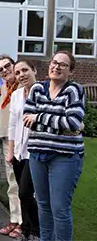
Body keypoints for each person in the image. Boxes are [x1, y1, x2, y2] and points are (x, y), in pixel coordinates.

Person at [24, 51, 85, 241]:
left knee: (59, 208)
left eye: (63, 65)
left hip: (65, 157)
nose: (56, 67)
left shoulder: (73, 90)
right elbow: (27, 119)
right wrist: (59, 125)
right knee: (43, 204)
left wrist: (40, 118)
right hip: (37, 155)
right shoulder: (37, 89)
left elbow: (74, 124)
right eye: (54, 62)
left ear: (71, 71)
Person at [6, 60, 40, 241]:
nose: (21, 75)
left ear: (34, 70)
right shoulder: (17, 94)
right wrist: (10, 152)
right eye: (18, 72)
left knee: (25, 193)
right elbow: (12, 125)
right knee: (22, 192)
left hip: (33, 151)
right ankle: (26, 229)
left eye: (25, 70)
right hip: (18, 151)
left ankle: (36, 230)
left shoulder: (42, 92)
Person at [0, 55, 23, 238]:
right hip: (7, 140)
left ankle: (25, 222)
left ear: (14, 66)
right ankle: (15, 219)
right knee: (12, 182)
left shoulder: (23, 88)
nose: (5, 70)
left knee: (26, 185)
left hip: (24, 141)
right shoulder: (4, 90)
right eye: (1, 70)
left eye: (7, 66)